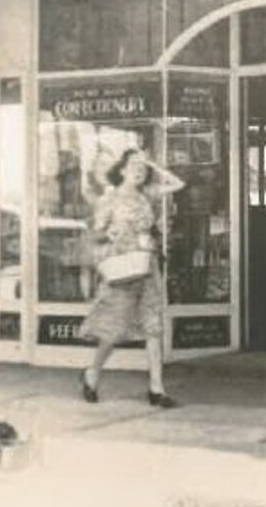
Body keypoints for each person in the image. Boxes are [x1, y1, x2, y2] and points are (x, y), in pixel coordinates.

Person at [79, 148, 186, 408]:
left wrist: (152, 163)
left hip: (147, 267)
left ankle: (156, 389)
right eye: (134, 165)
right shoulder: (110, 198)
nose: (140, 170)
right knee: (113, 330)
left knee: (153, 328)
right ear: (123, 169)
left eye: (143, 167)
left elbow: (178, 184)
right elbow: (95, 235)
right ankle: (92, 373)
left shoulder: (147, 194)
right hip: (122, 269)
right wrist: (113, 236)